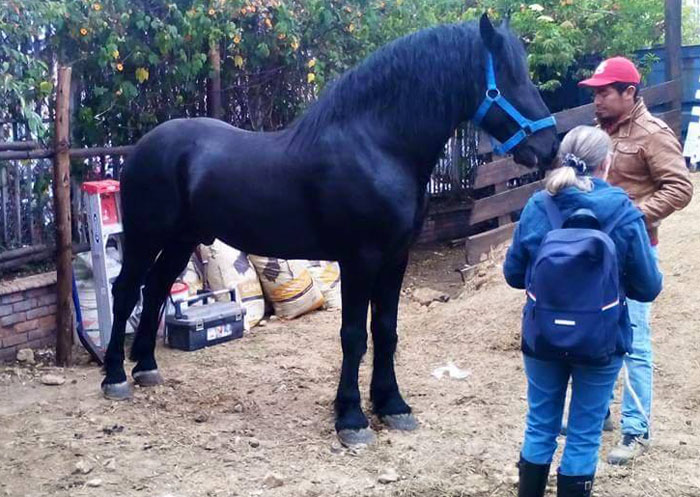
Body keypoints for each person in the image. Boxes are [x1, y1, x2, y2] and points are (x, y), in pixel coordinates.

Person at [504, 125, 662, 497]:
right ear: (606, 163)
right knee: (584, 433)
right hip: (601, 341)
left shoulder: (538, 205)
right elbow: (648, 287)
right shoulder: (623, 211)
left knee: (540, 425)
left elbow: (513, 275)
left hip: (542, 337)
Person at [578, 56, 693, 465]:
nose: (597, 100)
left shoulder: (653, 133)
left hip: (633, 251)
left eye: (605, 92)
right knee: (598, 330)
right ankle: (603, 413)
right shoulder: (598, 132)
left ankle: (636, 429)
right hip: (594, 252)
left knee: (636, 342)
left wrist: (630, 216)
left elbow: (680, 187)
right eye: (594, 93)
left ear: (630, 92)